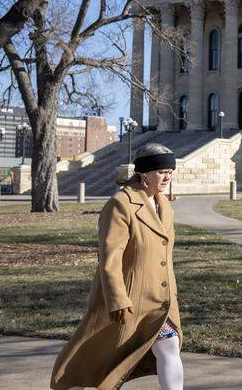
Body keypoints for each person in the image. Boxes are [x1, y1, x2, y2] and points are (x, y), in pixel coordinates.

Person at [52, 143, 183, 389]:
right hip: (129, 300)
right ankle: (70, 380)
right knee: (98, 355)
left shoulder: (164, 205)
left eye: (171, 172)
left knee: (169, 346)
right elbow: (109, 257)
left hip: (160, 299)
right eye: (162, 171)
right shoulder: (120, 204)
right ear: (144, 173)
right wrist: (117, 299)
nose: (168, 177)